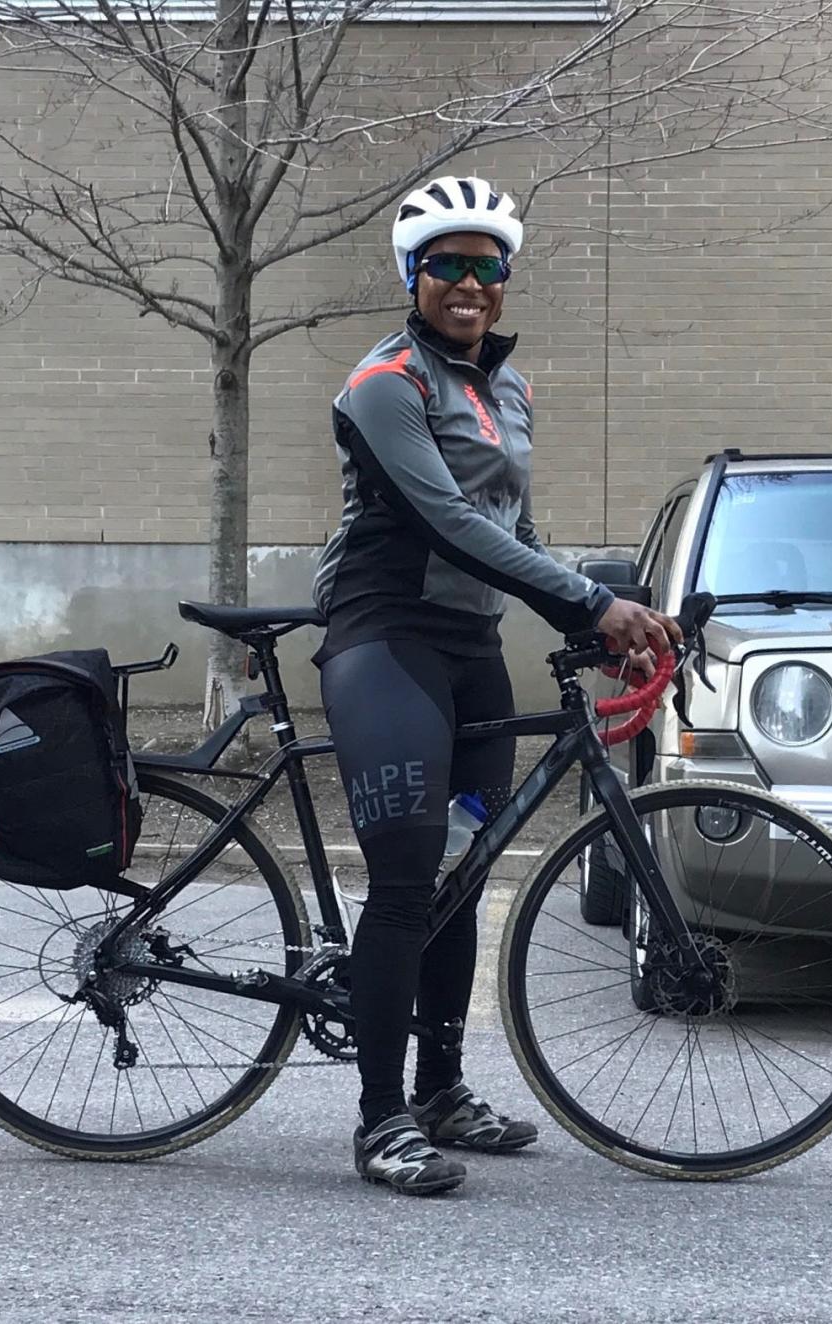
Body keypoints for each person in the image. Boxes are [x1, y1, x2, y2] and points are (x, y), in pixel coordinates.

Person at [312, 175, 681, 1196]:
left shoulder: (505, 389)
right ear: (413, 277)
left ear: (505, 283)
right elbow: (447, 522)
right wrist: (584, 607)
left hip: (470, 647)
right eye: (445, 265)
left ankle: (440, 1090)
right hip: (383, 639)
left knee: (463, 875)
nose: (466, 283)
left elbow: (513, 530)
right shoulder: (382, 382)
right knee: (403, 882)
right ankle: (379, 1119)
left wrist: (593, 612)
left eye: (485, 266)